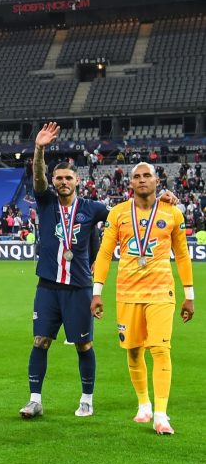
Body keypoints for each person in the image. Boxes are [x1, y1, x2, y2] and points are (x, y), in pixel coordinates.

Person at [91, 162, 195, 435]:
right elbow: (104, 253)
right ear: (130, 183)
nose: (141, 180)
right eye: (136, 176)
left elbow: (182, 255)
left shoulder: (172, 212)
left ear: (157, 181)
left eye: (146, 175)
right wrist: (97, 292)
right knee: (134, 350)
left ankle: (161, 414)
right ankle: (144, 404)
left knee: (161, 350)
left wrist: (189, 295)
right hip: (127, 292)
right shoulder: (118, 213)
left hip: (161, 291)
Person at [18, 123, 109, 419]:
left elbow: (123, 215)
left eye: (68, 177)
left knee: (83, 344)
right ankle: (34, 400)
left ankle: (86, 399)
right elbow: (38, 176)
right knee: (40, 341)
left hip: (79, 287)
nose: (63, 182)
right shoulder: (46, 202)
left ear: (77, 180)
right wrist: (40, 148)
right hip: (48, 287)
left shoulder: (92, 208)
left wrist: (160, 201)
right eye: (58, 178)